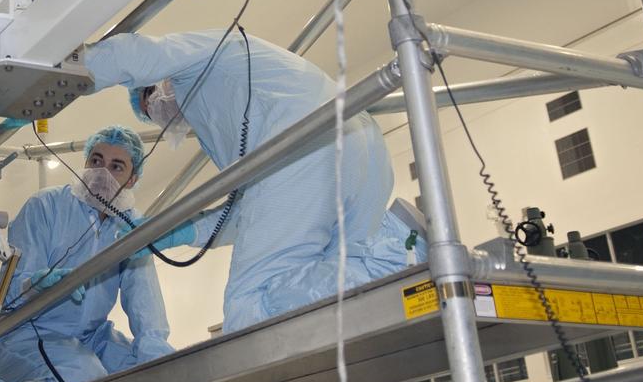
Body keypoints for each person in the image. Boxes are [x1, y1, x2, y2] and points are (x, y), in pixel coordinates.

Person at [86, 29, 420, 333]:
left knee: (251, 306)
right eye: (150, 113)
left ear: (157, 79)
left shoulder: (199, 54)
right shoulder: (223, 115)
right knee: (332, 284)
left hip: (300, 141)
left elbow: (131, 54)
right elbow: (255, 209)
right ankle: (402, 249)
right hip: (361, 145)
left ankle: (392, 261)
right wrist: (185, 231)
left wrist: (51, 77)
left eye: (150, 97)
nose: (158, 111)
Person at [0, 125, 176, 382]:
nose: (102, 173)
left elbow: (144, 297)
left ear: (133, 178)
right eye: (96, 161)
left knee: (149, 376)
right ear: (85, 162)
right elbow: (12, 291)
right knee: (85, 378)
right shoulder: (46, 206)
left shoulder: (130, 224)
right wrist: (39, 283)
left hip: (89, 338)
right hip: (25, 332)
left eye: (116, 166)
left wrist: (156, 352)